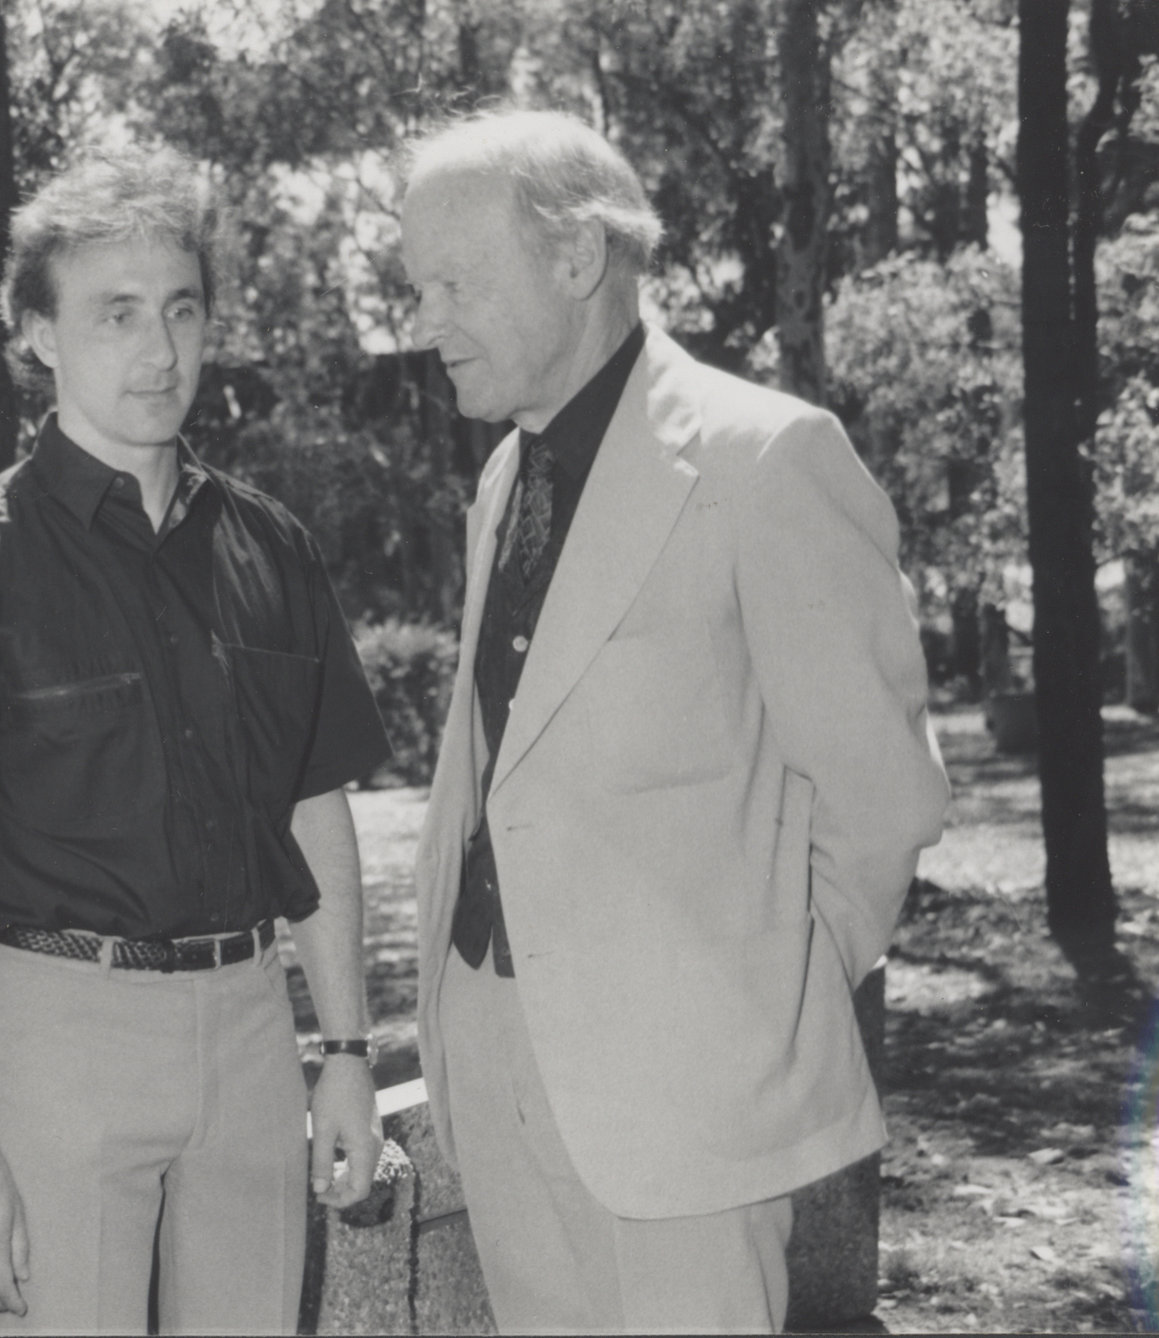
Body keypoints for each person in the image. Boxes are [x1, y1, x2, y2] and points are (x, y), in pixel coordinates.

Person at [398, 109, 950, 1333]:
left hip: (694, 1103)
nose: (424, 322)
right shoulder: (503, 477)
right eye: (416, 287)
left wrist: (763, 1003)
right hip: (496, 1066)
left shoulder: (765, 457)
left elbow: (882, 796)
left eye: (454, 284)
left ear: (577, 257)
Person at [0, 148, 393, 1335]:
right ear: (38, 334)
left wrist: (346, 1050)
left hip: (250, 1031)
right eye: (116, 314)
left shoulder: (271, 548)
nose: (159, 352)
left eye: (181, 311)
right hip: (56, 1035)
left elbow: (314, 807)